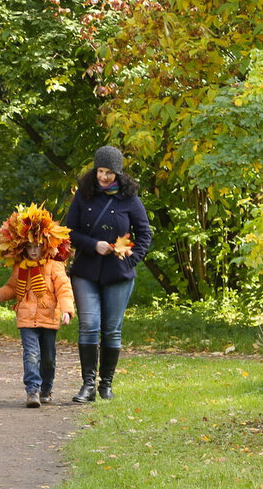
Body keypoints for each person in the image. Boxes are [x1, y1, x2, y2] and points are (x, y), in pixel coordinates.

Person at [63, 145, 152, 402]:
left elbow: (144, 233)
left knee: (112, 329)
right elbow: (69, 232)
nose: (104, 177)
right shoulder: (83, 195)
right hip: (86, 271)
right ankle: (88, 385)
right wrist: (93, 245)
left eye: (109, 173)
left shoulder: (130, 199)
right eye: (100, 171)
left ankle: (106, 385)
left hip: (118, 274)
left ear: (119, 174)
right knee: (89, 326)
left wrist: (132, 260)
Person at [0, 205, 75, 407]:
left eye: (37, 245)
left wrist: (67, 310)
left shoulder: (54, 266)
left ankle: (46, 388)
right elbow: (12, 288)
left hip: (49, 318)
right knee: (31, 354)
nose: (34, 250)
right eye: (30, 246)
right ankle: (32, 391)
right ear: (22, 247)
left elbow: (64, 289)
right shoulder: (20, 268)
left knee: (48, 358)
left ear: (45, 245)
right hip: (26, 318)